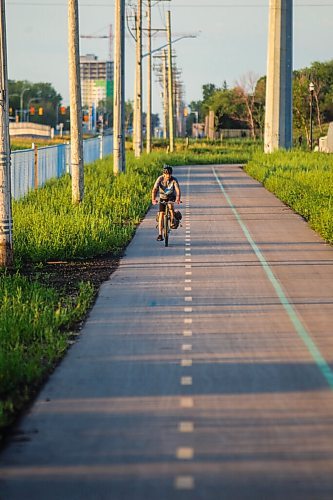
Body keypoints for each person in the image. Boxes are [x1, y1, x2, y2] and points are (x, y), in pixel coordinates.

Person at [152, 165, 181, 241]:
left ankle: (172, 221)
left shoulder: (174, 180)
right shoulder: (160, 179)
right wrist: (153, 199)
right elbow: (154, 189)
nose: (168, 176)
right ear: (163, 174)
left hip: (171, 197)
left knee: (170, 206)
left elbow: (177, 190)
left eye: (170, 174)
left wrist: (178, 199)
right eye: (167, 174)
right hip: (162, 197)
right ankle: (160, 234)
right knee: (161, 214)